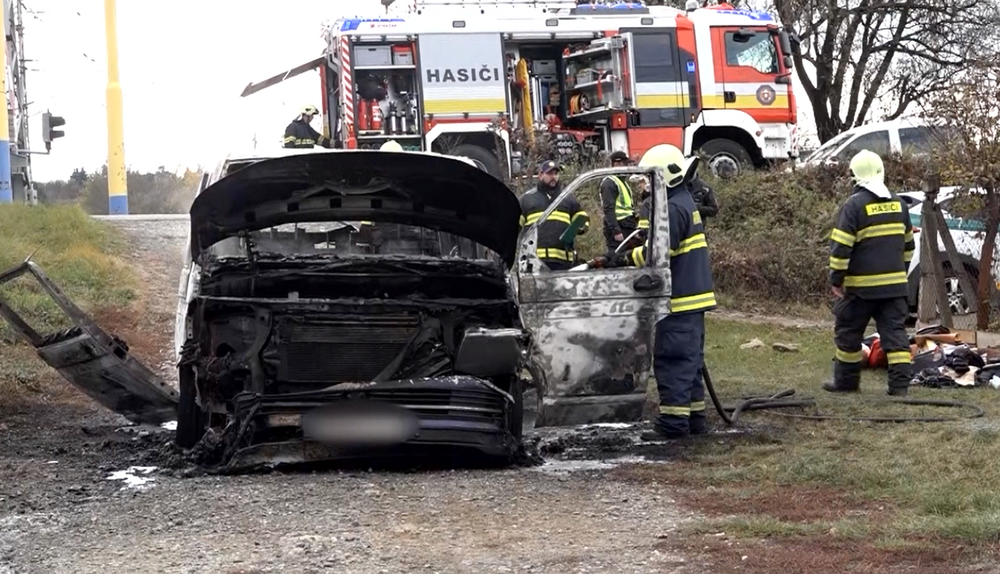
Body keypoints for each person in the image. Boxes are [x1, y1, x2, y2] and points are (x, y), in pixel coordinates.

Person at [589, 144, 716, 440]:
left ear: (665, 177)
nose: (646, 185)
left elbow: (658, 255)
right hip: (691, 299)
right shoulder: (682, 201)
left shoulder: (672, 208)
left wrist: (620, 260)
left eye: (650, 179)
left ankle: (673, 425)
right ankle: (694, 419)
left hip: (680, 300)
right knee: (690, 362)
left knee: (673, 360)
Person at [826, 149, 915, 397]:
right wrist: (899, 276)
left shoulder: (853, 206)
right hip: (894, 289)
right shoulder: (899, 204)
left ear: (854, 177)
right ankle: (899, 388)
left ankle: (846, 383)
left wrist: (836, 279)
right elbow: (909, 247)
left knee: (848, 334)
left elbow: (841, 247)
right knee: (896, 336)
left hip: (860, 290)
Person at [519, 160, 590, 271]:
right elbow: (514, 227)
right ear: (540, 175)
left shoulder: (567, 198)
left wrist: (581, 226)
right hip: (534, 261)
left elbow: (582, 216)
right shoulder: (527, 199)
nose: (554, 177)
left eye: (556, 174)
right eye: (549, 174)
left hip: (563, 261)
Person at [601, 151, 638, 251]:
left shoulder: (622, 182)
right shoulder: (610, 183)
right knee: (617, 258)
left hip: (627, 226)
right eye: (625, 164)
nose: (627, 167)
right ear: (616, 164)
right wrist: (616, 231)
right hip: (619, 229)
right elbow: (608, 209)